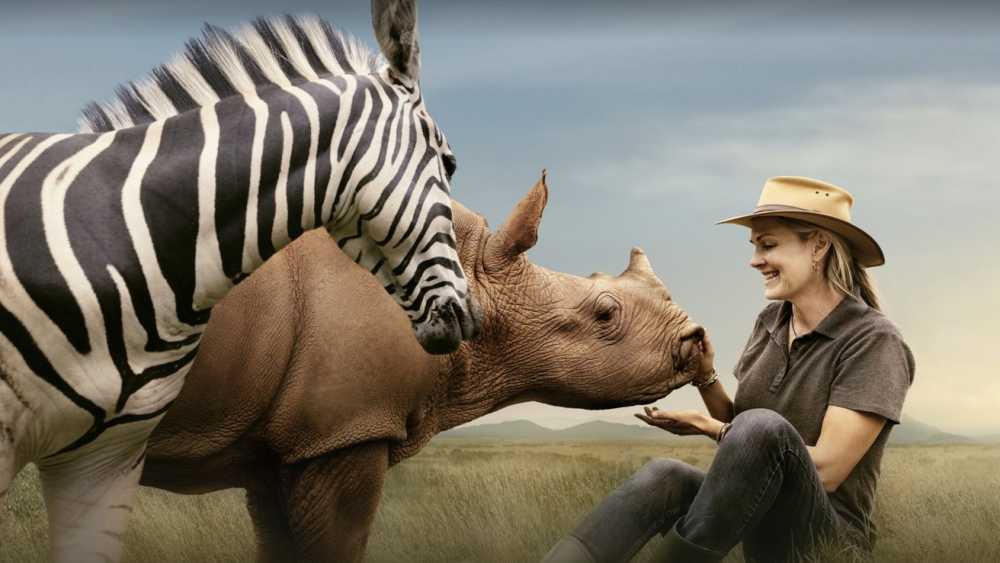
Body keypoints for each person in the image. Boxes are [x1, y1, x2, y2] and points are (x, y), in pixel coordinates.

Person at [542, 176, 915, 563]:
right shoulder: (772, 321)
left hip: (828, 544)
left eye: (768, 245)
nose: (755, 260)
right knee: (664, 476)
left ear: (818, 245)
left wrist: (711, 427)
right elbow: (750, 446)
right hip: (765, 516)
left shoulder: (873, 341)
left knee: (761, 426)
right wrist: (704, 377)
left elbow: (827, 470)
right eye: (754, 247)